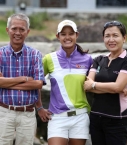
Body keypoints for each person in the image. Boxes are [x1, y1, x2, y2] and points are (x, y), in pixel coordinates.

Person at [84, 21, 127, 145]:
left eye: (115, 35)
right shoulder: (99, 60)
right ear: (103, 38)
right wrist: (113, 87)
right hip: (96, 118)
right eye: (107, 36)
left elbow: (117, 86)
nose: (111, 39)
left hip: (117, 121)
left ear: (124, 38)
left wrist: (95, 85)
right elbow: (86, 85)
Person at [0, 13, 50, 145]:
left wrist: (6, 83)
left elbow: (38, 84)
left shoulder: (35, 55)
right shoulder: (0, 54)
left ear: (27, 32)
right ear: (7, 30)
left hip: (27, 113)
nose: (18, 32)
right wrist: (24, 79)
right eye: (14, 28)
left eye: (22, 29)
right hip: (4, 112)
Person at [42, 20, 93, 145]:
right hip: (57, 118)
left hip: (80, 117)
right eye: (63, 34)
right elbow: (36, 82)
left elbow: (95, 82)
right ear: (57, 36)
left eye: (71, 33)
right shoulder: (49, 59)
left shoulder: (88, 59)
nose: (67, 37)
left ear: (77, 35)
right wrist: (39, 107)